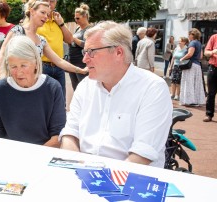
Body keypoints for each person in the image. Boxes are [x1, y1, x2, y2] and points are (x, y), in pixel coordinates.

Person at [59, 21, 172, 168]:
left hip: (130, 182)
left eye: (91, 52)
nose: (84, 59)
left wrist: (101, 182)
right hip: (83, 173)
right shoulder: (85, 86)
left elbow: (143, 154)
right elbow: (70, 133)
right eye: (84, 52)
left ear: (118, 53)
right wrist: (72, 166)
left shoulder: (153, 88)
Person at [0, 35, 66, 148]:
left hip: (42, 153)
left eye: (24, 65)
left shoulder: (52, 87)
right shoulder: (1, 88)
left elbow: (57, 136)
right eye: (13, 66)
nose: (19, 72)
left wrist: (31, 156)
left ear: (35, 62)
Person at [0, 0, 87, 80]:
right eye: (42, 12)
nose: (46, 17)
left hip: (33, 83)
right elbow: (2, 54)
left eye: (47, 14)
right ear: (32, 11)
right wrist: (3, 78)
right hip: (15, 81)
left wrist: (80, 70)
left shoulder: (41, 41)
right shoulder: (18, 31)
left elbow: (59, 61)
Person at [36, 0, 74, 98]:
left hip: (59, 67)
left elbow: (69, 40)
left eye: (52, 1)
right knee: (42, 101)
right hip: (42, 66)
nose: (49, 3)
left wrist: (61, 24)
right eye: (46, 0)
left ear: (56, 2)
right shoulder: (36, 19)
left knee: (60, 101)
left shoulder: (58, 19)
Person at [179, 28, 205, 107]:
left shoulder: (192, 43)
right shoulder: (199, 43)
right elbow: (201, 56)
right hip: (197, 65)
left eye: (189, 34)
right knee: (196, 83)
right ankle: (196, 100)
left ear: (192, 35)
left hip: (190, 65)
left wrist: (182, 59)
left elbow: (190, 54)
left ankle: (189, 101)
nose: (188, 36)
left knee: (188, 82)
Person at [68, 3, 91, 90]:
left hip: (81, 62)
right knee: (76, 87)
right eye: (75, 18)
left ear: (85, 16)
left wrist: (73, 39)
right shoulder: (78, 28)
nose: (76, 20)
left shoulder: (89, 29)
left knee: (83, 87)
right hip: (73, 61)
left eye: (78, 18)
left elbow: (87, 45)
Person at [168, 37, 189, 101]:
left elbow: (187, 59)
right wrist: (170, 67)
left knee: (178, 81)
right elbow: (173, 58)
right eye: (179, 41)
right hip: (175, 66)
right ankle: (172, 93)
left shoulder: (186, 50)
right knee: (173, 80)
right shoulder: (176, 48)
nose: (179, 42)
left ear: (184, 42)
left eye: (180, 41)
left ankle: (177, 95)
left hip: (181, 67)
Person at [203, 34, 217, 122]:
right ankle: (209, 114)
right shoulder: (214, 37)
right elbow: (206, 53)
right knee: (211, 93)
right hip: (214, 68)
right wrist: (213, 52)